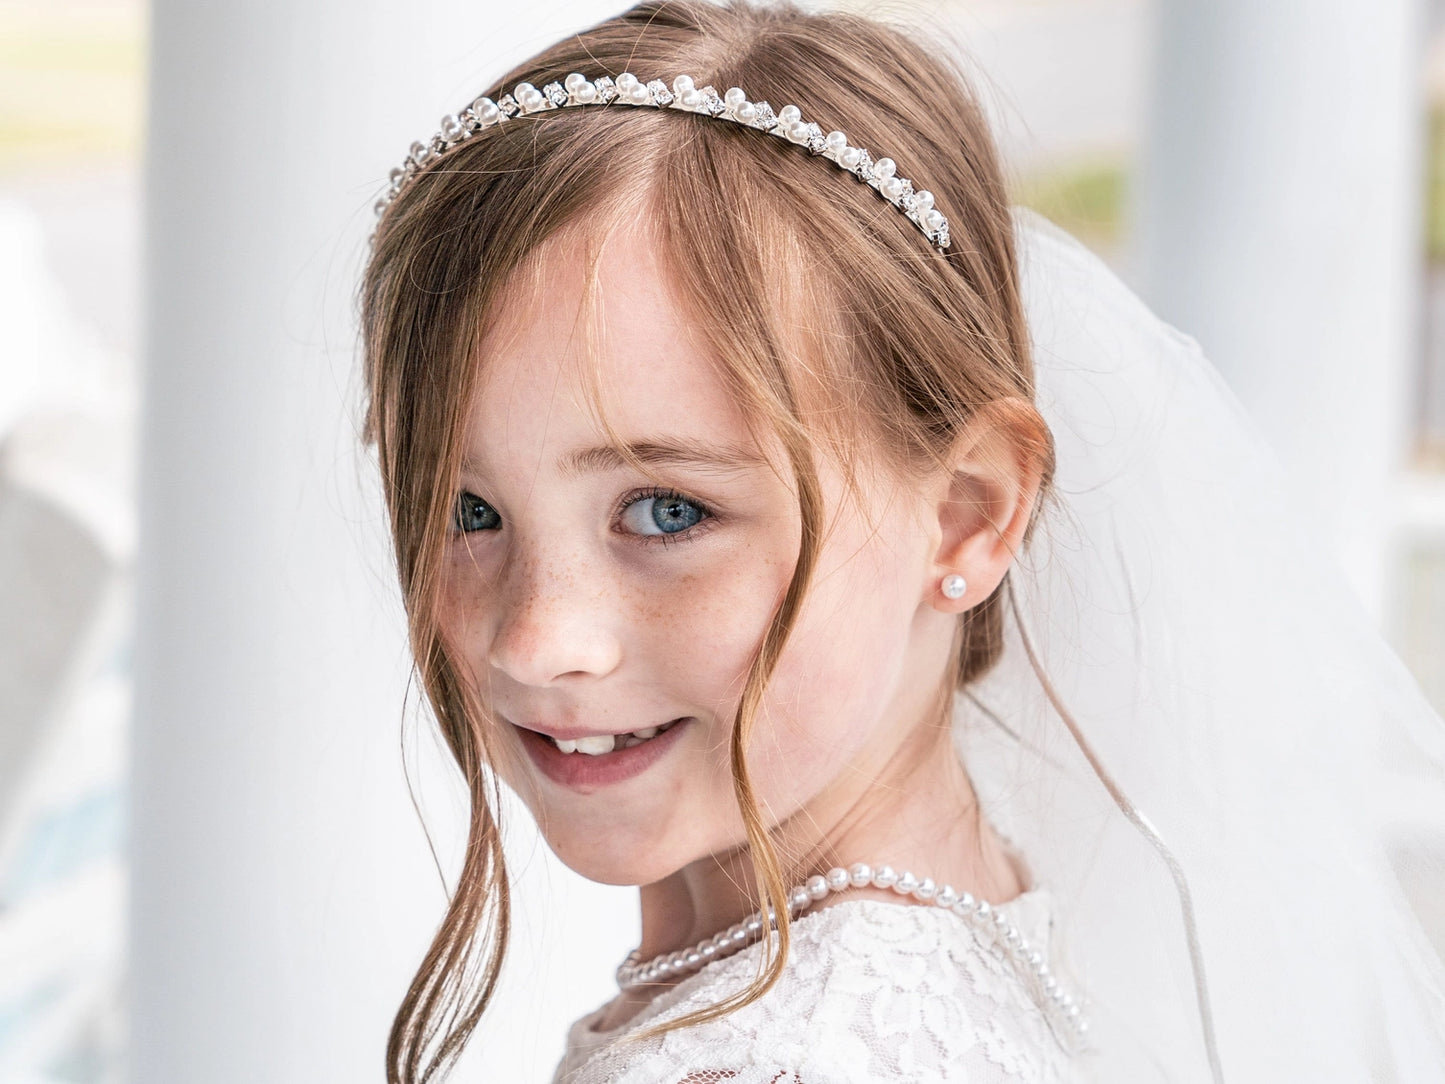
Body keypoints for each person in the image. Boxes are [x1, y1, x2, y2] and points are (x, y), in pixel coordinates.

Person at [360, 2, 1445, 1081]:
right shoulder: (961, 921)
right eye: (467, 511)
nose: (535, 640)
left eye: (666, 511)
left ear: (966, 513)